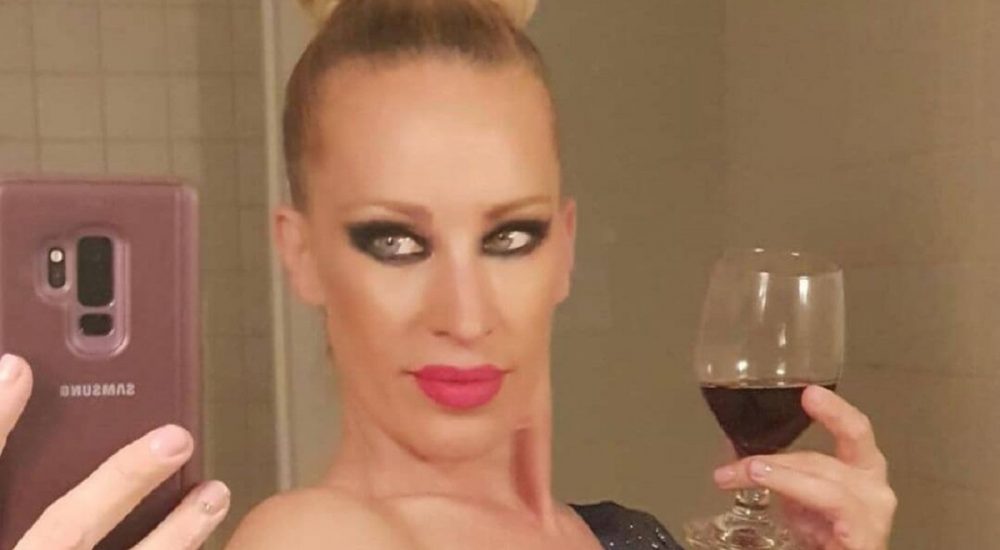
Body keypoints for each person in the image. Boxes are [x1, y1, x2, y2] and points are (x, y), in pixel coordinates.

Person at [0, 1, 895, 548]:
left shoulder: (621, 532)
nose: (463, 313)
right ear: (301, 254)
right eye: (394, 242)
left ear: (564, 249)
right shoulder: (320, 540)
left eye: (509, 236)